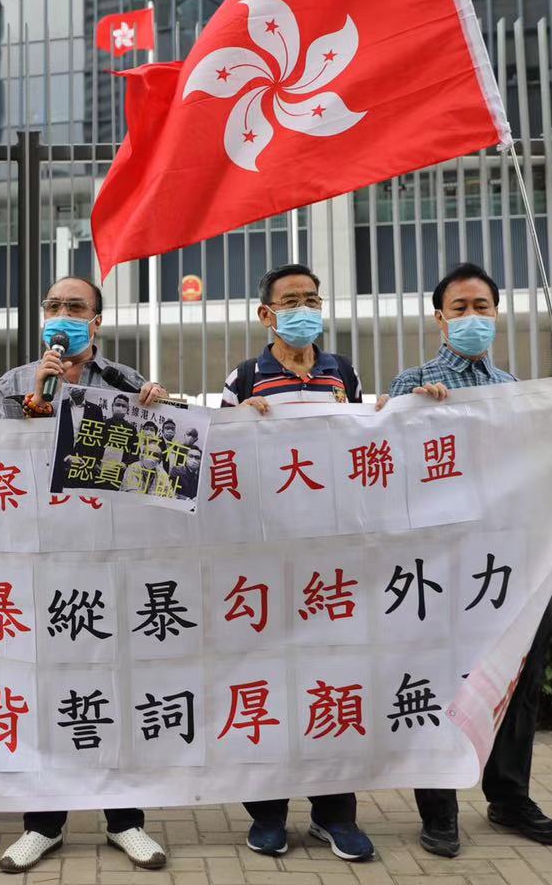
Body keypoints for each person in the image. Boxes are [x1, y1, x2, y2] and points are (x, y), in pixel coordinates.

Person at [375, 262, 552, 860]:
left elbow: (545, 482)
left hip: (512, 571)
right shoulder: (411, 384)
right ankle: (439, 806)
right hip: (442, 570)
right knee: (439, 677)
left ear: (497, 313)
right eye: (460, 307)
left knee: (520, 681)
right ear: (439, 318)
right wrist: (408, 414)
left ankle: (509, 796)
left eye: (482, 306)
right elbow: (385, 473)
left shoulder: (521, 393)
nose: (472, 318)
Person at [0, 274, 169, 873]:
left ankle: (127, 820)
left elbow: (157, 469)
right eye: (54, 305)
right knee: (45, 686)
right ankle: (44, 823)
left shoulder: (129, 384)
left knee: (118, 684)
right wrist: (42, 397)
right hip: (44, 558)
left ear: (96, 321)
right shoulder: (13, 385)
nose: (63, 314)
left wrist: (157, 411)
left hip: (111, 557)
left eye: (76, 307)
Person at [218, 263, 374, 863]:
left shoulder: (344, 373)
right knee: (272, 683)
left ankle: (336, 814)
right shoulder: (246, 377)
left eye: (312, 298)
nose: (303, 308)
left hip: (330, 559)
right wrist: (242, 423)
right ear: (266, 314)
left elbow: (366, 451)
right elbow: (222, 459)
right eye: (290, 300)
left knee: (332, 681)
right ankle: (269, 815)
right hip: (268, 560)